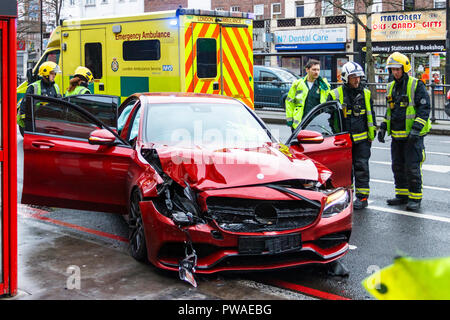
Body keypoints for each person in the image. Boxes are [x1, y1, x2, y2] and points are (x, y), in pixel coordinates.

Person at [377, 52, 431, 211]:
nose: (395, 72)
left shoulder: (416, 85)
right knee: (397, 166)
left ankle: (415, 198)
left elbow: (424, 108)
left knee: (412, 167)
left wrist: (416, 129)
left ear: (404, 68)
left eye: (397, 69)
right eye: (392, 69)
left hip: (412, 137)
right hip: (397, 136)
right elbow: (389, 111)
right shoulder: (390, 87)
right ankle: (401, 195)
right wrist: (383, 128)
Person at [328, 62, 376, 210]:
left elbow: (370, 115)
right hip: (344, 140)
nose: (356, 80)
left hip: (362, 140)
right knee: (345, 170)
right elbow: (329, 118)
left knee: (361, 167)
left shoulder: (366, 93)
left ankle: (362, 197)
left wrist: (371, 134)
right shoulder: (335, 94)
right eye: (353, 77)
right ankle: (346, 197)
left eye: (358, 77)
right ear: (345, 78)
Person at [285, 59, 331, 132]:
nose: (316, 72)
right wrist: (290, 119)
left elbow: (328, 103)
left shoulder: (323, 85)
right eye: (314, 70)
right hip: (300, 123)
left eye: (318, 70)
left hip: (316, 123)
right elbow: (289, 102)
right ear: (307, 70)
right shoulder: (298, 84)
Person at [18, 61, 62, 132]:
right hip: (37, 123)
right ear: (45, 74)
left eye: (54, 73)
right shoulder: (34, 87)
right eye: (52, 73)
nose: (54, 75)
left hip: (52, 123)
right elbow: (25, 105)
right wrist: (28, 123)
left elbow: (60, 103)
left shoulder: (55, 87)